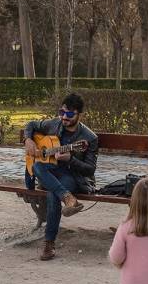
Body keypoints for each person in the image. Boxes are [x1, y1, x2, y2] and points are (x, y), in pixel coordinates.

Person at [23, 93, 98, 260]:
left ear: (79, 115)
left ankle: (49, 243)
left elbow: (90, 170)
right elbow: (31, 124)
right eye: (61, 112)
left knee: (51, 192)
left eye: (70, 114)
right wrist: (28, 139)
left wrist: (70, 160)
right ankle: (68, 198)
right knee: (36, 165)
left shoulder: (89, 138)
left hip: (75, 177)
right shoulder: (54, 124)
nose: (64, 117)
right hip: (53, 172)